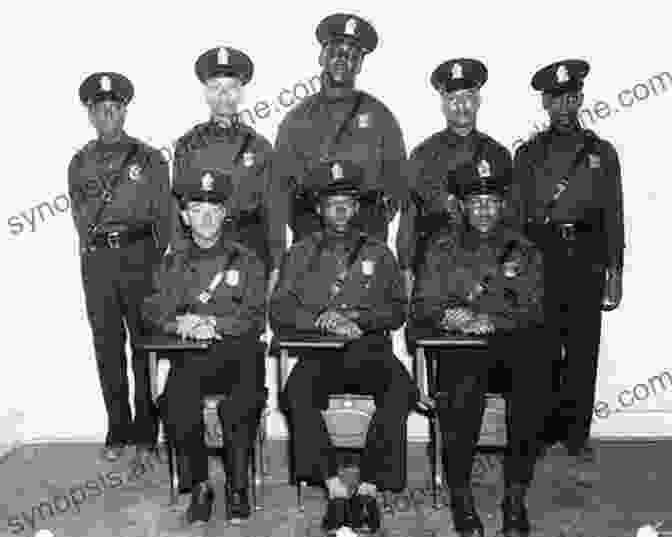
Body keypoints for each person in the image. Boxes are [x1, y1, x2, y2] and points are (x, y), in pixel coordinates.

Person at [270, 160, 418, 535]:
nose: (339, 209)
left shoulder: (379, 252)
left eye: (347, 202)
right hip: (320, 351)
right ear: (318, 208)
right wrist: (323, 318)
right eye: (331, 202)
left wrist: (360, 321)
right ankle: (335, 490)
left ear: (357, 208)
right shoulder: (300, 253)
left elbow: (398, 310)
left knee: (402, 390)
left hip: (369, 348)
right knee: (296, 393)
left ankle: (368, 488)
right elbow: (281, 309)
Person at [409, 160, 548, 537]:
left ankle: (515, 496)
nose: (484, 210)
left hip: (508, 345)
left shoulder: (523, 249)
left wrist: (494, 320)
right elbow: (422, 305)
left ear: (502, 205)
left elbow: (535, 307)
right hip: (461, 347)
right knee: (460, 394)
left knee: (533, 387)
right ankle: (461, 495)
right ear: (461, 206)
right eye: (475, 202)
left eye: (491, 201)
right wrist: (448, 317)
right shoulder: (441, 247)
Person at [512, 59, 624, 461]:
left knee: (581, 349)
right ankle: (540, 431)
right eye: (555, 99)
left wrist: (615, 271)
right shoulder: (528, 154)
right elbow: (519, 216)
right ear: (545, 102)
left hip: (587, 257)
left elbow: (613, 213)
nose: (563, 106)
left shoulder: (601, 152)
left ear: (580, 99)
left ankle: (576, 434)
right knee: (541, 349)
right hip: (542, 255)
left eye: (570, 98)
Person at [142, 167, 267, 526]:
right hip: (192, 357)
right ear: (184, 216)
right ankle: (199, 486)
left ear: (225, 213)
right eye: (197, 209)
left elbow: (256, 315)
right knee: (175, 400)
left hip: (240, 353)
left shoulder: (248, 260)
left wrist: (212, 324)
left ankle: (238, 487)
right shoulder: (172, 263)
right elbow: (153, 309)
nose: (207, 216)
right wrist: (178, 323)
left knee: (241, 402)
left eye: (214, 208)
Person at [68, 72, 172, 463]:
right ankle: (118, 427)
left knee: (144, 345)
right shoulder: (80, 162)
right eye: (100, 109)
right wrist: (95, 253)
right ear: (90, 115)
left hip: (141, 256)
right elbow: (80, 216)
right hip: (98, 261)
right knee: (107, 345)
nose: (108, 114)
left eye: (114, 107)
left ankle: (147, 429)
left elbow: (164, 214)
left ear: (125, 110)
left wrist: (158, 264)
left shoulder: (149, 158)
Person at [274, 13, 407, 248]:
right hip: (312, 234)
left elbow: (397, 179)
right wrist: (306, 228)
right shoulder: (298, 118)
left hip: (366, 234)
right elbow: (281, 184)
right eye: (335, 52)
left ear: (360, 64)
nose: (342, 59)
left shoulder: (379, 116)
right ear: (322, 56)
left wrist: (375, 223)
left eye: (352, 55)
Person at [171, 46, 284, 299]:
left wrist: (277, 264)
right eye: (215, 88)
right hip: (202, 249)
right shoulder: (188, 145)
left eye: (231, 88)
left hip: (250, 244)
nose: (223, 95)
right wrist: (178, 260)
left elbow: (273, 210)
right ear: (205, 93)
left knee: (247, 325)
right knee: (203, 322)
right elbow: (177, 207)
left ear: (241, 93)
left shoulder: (259, 146)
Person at [397, 58, 513, 297]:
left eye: (468, 97)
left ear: (479, 101)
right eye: (453, 99)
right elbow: (409, 216)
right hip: (432, 267)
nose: (461, 106)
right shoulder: (423, 154)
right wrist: (406, 269)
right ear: (443, 104)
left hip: (485, 267)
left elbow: (511, 217)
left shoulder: (498, 154)